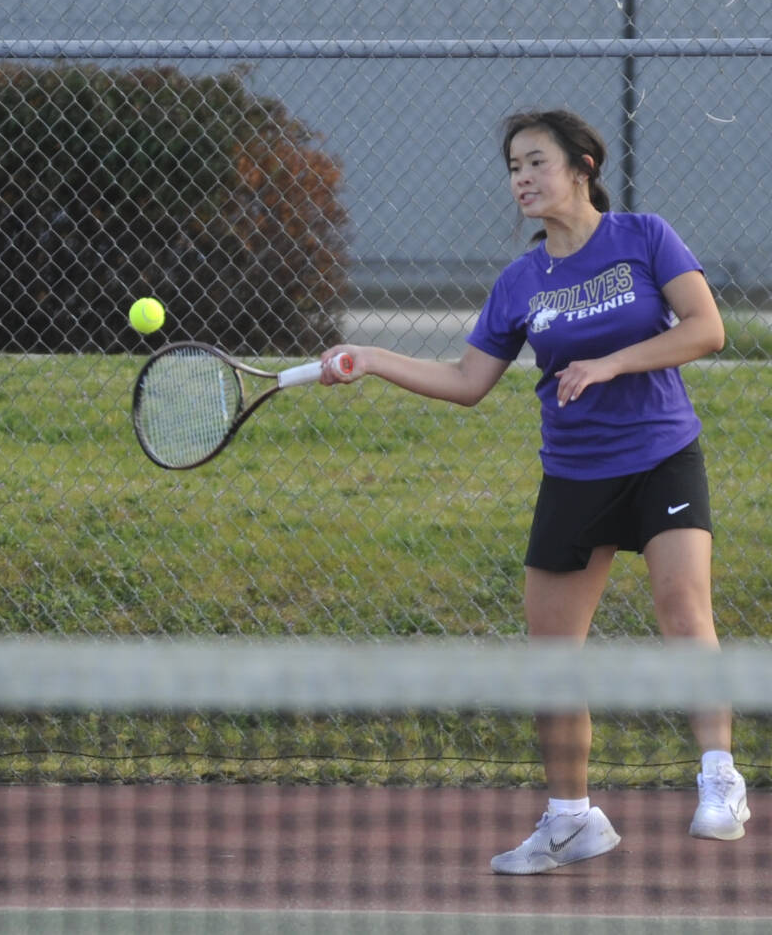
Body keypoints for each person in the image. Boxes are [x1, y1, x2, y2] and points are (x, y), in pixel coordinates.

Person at [320, 108, 749, 874]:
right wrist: (376, 356)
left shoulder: (644, 237)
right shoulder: (520, 282)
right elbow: (467, 382)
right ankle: (571, 821)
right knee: (553, 657)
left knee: (684, 609)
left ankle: (721, 780)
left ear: (583, 166)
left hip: (661, 457)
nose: (520, 178)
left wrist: (613, 363)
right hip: (574, 475)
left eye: (535, 162)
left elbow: (706, 328)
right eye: (513, 166)